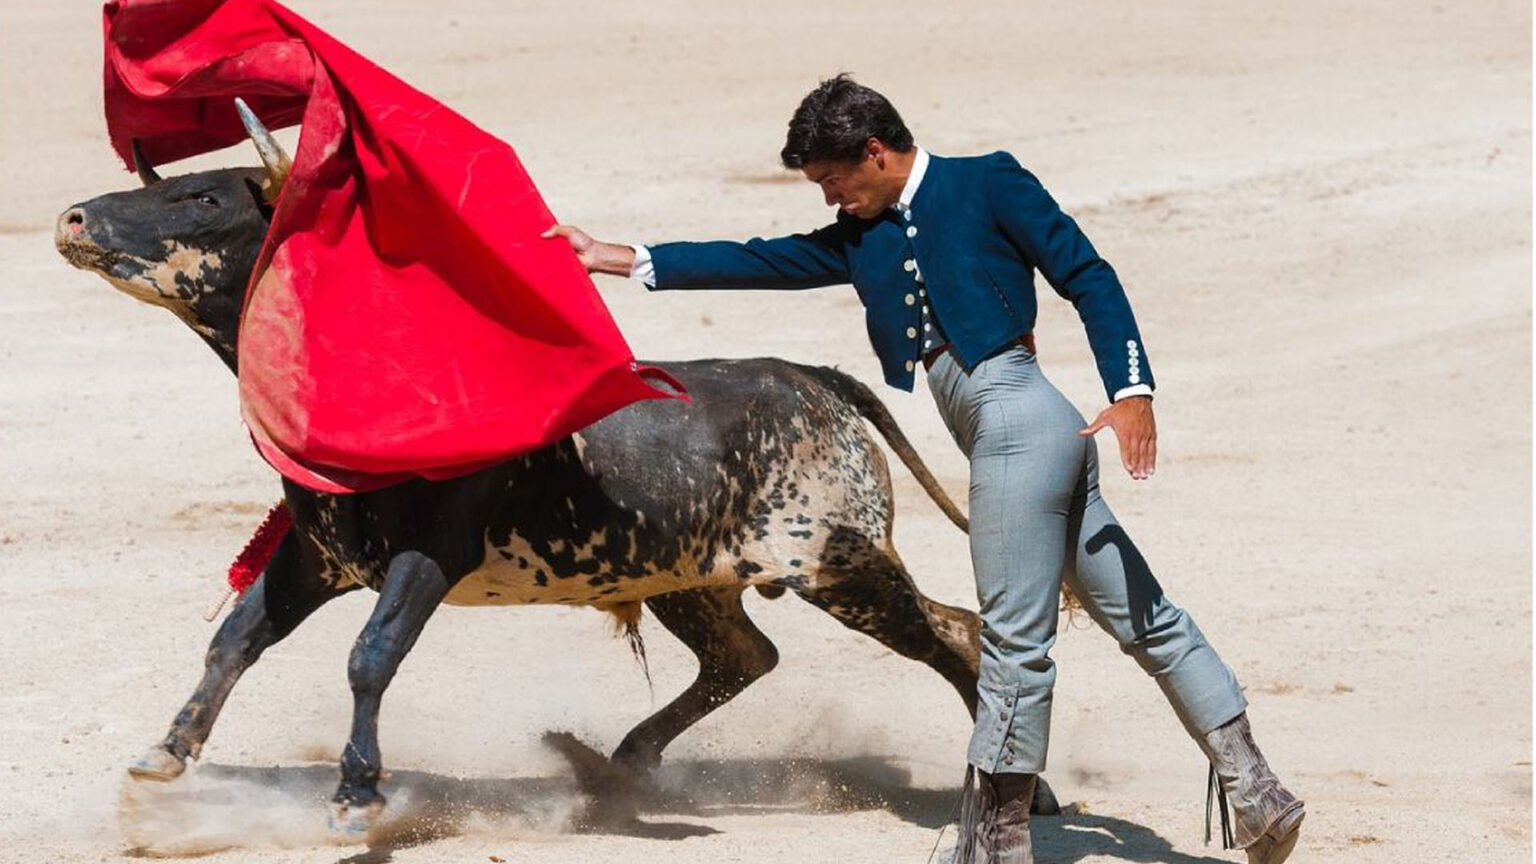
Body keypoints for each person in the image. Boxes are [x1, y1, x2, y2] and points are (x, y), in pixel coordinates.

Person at [544, 74, 1303, 864]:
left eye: (835, 180)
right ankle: (1261, 795)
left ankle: (995, 844)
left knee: (1013, 643)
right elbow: (762, 259)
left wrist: (1133, 389)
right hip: (1030, 435)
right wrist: (617, 257)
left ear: (874, 152)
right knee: (1146, 618)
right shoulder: (864, 233)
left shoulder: (988, 180)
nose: (832, 199)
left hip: (1017, 425)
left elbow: (1088, 275)